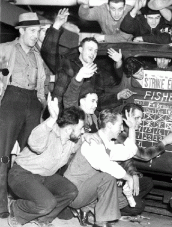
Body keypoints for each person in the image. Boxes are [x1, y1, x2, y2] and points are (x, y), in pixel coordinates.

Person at [7, 95, 86, 227]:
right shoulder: (49, 131)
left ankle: (42, 219)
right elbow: (35, 143)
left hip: (44, 177)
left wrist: (90, 135)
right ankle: (16, 208)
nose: (82, 132)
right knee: (47, 203)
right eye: (81, 128)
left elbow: (80, 142)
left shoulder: (70, 141)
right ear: (69, 128)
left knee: (71, 191)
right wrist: (52, 118)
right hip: (21, 174)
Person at [41, 8, 135, 111]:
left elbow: (98, 102)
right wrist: (57, 24)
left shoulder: (96, 73)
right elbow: (48, 52)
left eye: (95, 51)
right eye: (90, 49)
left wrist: (118, 97)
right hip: (60, 115)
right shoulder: (66, 64)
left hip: (80, 120)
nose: (93, 53)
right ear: (80, 49)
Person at [0, 12, 46, 218]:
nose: (36, 35)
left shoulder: (38, 56)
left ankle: (27, 200)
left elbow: (42, 87)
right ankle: (1, 204)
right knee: (2, 154)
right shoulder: (5, 49)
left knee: (31, 154)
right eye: (33, 31)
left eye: (38, 31)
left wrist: (42, 107)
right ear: (22, 31)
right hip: (11, 99)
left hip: (32, 103)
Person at [64, 108, 138, 227]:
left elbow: (130, 151)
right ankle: (100, 222)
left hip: (86, 191)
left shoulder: (108, 144)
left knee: (122, 197)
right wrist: (129, 178)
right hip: (73, 192)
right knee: (107, 177)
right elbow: (105, 165)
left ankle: (86, 210)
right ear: (109, 125)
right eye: (120, 125)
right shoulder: (93, 141)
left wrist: (132, 128)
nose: (122, 129)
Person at [116, 103, 172, 216]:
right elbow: (144, 155)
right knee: (139, 207)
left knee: (147, 183)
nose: (140, 121)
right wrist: (164, 142)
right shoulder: (119, 134)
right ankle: (113, 206)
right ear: (126, 117)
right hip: (113, 180)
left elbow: (128, 158)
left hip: (121, 177)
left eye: (141, 118)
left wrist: (134, 174)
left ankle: (125, 198)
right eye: (137, 118)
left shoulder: (127, 133)